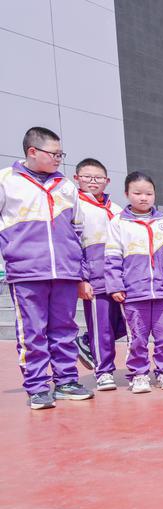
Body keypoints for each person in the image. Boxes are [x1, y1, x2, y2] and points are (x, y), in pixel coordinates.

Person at [0, 127, 93, 409]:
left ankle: (66, 381)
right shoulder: (6, 181)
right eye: (54, 154)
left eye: (60, 154)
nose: (58, 159)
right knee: (32, 332)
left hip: (65, 272)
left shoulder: (65, 186)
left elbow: (78, 230)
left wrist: (81, 273)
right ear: (32, 151)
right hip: (27, 272)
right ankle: (38, 387)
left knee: (65, 329)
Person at [105, 171, 163, 394]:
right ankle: (139, 374)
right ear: (127, 194)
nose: (143, 198)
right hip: (134, 293)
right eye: (137, 193)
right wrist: (116, 285)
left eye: (149, 193)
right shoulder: (118, 223)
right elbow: (112, 256)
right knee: (137, 338)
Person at [74, 157, 126, 391]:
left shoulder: (117, 210)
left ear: (107, 181)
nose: (93, 182)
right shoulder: (75, 206)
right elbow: (73, 246)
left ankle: (86, 342)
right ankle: (104, 370)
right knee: (101, 326)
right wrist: (81, 278)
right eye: (87, 177)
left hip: (120, 278)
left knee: (125, 324)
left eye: (98, 178)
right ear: (77, 179)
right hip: (94, 279)